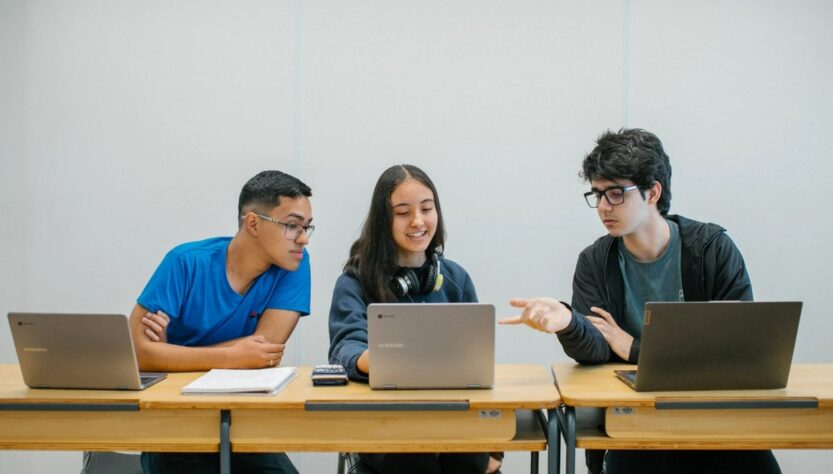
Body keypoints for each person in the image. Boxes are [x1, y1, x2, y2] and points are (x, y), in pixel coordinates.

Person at [500, 128, 780, 474]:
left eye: (616, 193)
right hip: (633, 420)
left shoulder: (711, 249)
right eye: (597, 194)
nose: (603, 206)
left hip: (715, 418)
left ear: (653, 192)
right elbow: (596, 350)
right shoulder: (595, 261)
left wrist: (632, 347)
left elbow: (732, 351)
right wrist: (569, 322)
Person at [132, 170, 314, 474]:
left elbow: (262, 356)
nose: (304, 239)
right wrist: (231, 355)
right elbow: (137, 354)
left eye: (307, 227)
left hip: (244, 423)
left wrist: (170, 355)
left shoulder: (294, 265)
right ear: (253, 223)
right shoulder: (185, 262)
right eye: (292, 226)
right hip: (173, 424)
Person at [328, 164, 494, 474]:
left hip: (452, 418)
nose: (418, 221)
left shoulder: (455, 278)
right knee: (412, 460)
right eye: (403, 213)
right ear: (383, 220)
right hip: (385, 420)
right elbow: (345, 349)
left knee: (472, 458)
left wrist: (493, 443)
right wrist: (388, 358)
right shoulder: (354, 282)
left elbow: (477, 358)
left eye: (427, 209)